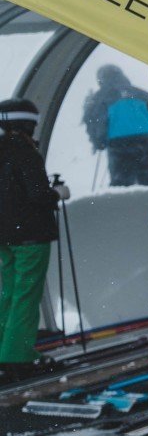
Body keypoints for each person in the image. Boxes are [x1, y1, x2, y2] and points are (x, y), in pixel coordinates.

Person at [0, 98, 64, 382]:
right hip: (30, 235)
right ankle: (18, 358)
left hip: (5, 235)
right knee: (26, 296)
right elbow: (37, 194)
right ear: (25, 123)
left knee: (10, 294)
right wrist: (58, 193)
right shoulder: (24, 151)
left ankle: (5, 351)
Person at [81, 63, 148, 187]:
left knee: (121, 182)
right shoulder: (141, 93)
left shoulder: (100, 97)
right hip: (146, 140)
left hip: (119, 143)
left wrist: (98, 142)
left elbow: (95, 121)